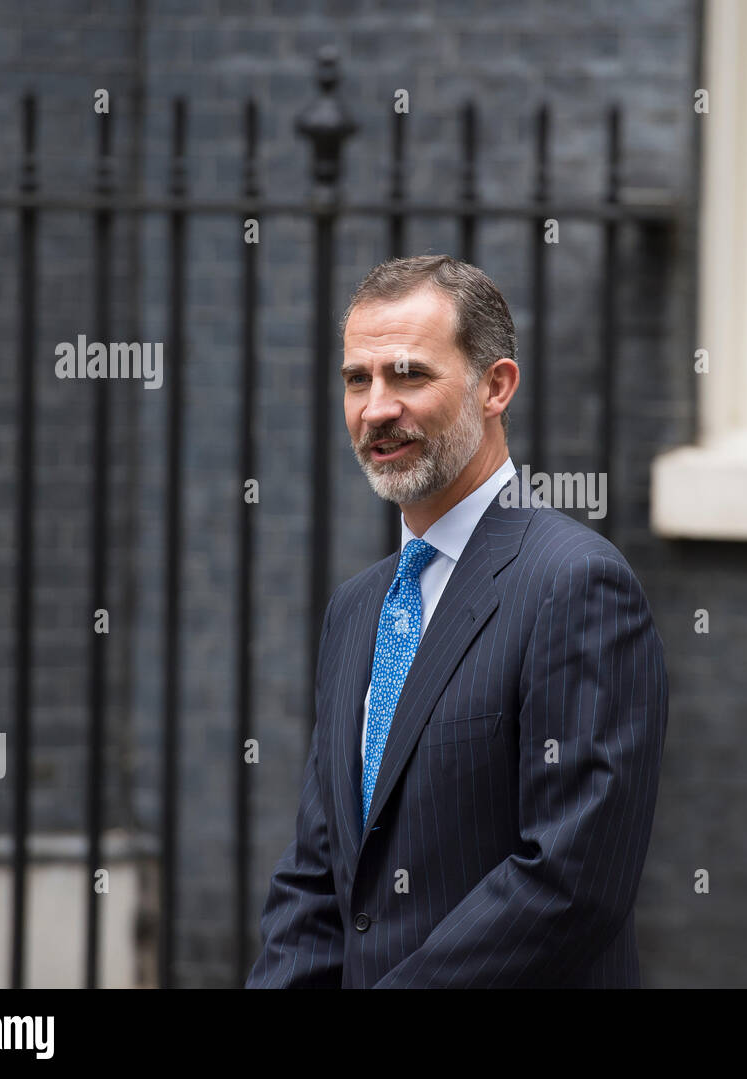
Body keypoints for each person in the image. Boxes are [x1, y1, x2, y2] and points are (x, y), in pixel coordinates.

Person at [246, 254, 668, 988]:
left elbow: (570, 881)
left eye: (408, 374)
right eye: (357, 379)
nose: (376, 407)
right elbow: (320, 878)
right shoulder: (358, 609)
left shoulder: (575, 584)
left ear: (496, 386)